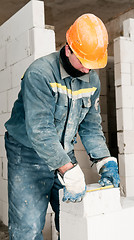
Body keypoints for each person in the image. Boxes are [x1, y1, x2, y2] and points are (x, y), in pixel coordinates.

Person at [4, 13, 120, 240]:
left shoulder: (92, 79)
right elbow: (40, 130)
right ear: (68, 49)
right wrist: (67, 168)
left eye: (92, 64)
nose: (88, 70)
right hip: (27, 153)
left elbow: (91, 125)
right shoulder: (40, 73)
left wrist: (104, 160)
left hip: (62, 149)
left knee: (73, 219)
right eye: (84, 62)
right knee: (27, 228)